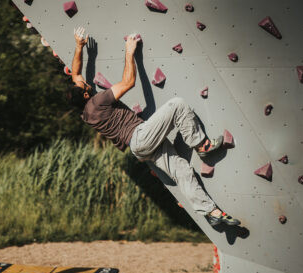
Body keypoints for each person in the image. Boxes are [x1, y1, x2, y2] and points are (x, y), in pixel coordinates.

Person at [69, 27, 240, 226]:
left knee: (182, 171)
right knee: (177, 105)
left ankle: (211, 212)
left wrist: (79, 46)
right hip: (140, 136)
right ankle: (201, 145)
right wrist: (129, 51)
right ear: (85, 95)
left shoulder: (85, 113)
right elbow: (128, 82)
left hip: (139, 148)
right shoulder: (98, 101)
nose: (82, 82)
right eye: (82, 87)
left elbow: (76, 74)